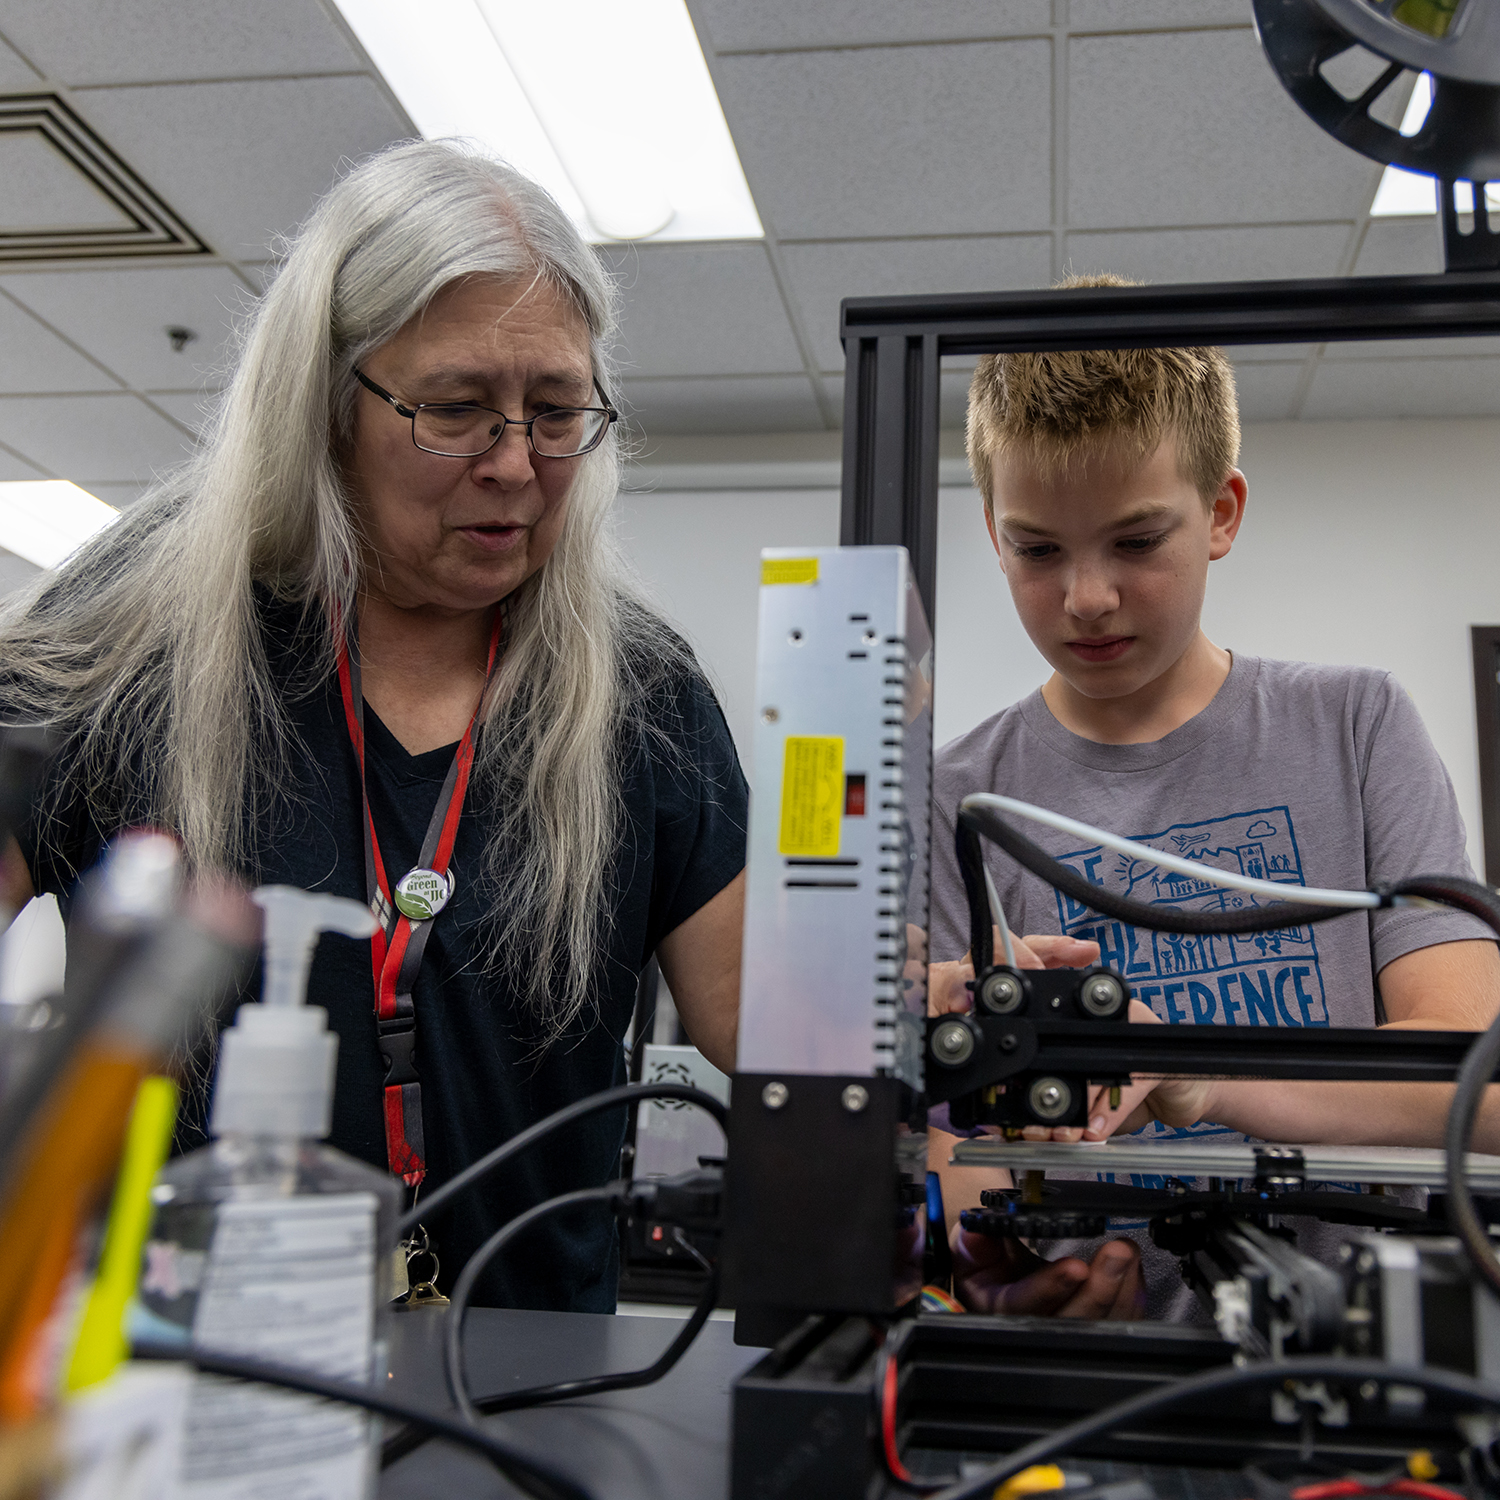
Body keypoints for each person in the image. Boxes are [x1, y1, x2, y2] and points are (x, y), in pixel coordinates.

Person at [0, 141, 747, 1313]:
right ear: (327, 403)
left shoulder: (640, 696)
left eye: (556, 413)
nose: (515, 465)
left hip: (529, 1387)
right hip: (192, 1393)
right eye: (455, 412)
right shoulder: (122, 641)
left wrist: (920, 1014)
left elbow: (761, 1023)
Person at [927, 274, 1500, 1322]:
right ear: (993, 533)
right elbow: (952, 1136)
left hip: (1356, 1371)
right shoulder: (958, 800)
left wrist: (1196, 1078)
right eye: (1038, 549)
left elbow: (1475, 1081)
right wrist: (1011, 1268)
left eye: (1136, 542)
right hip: (1093, 1400)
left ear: (1222, 512)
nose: (1087, 597)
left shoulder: (1357, 726)